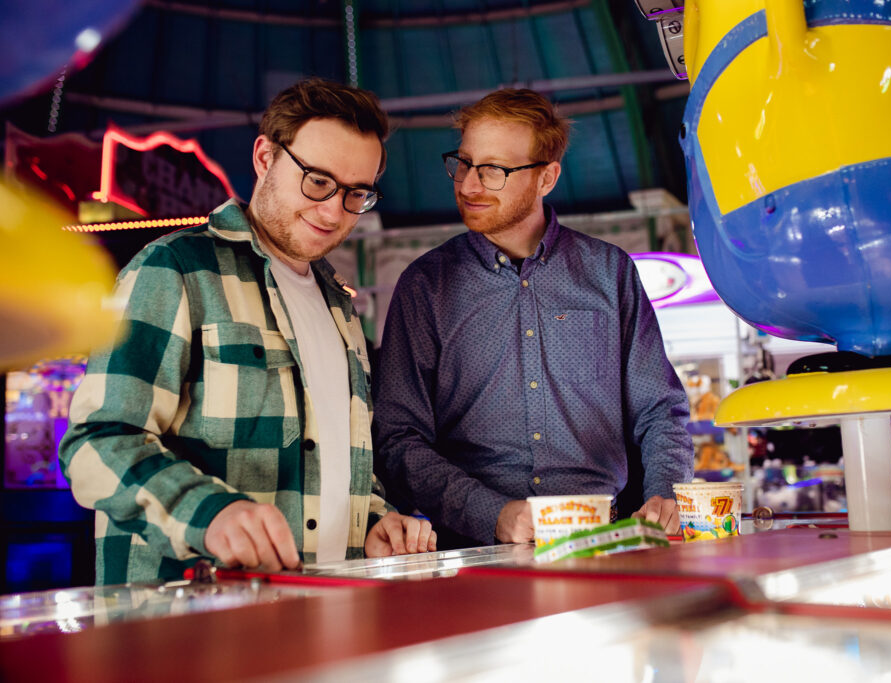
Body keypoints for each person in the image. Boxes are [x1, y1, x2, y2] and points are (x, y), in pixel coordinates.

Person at [59, 78, 436, 585]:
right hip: (183, 626)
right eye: (318, 181)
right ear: (265, 157)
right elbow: (96, 441)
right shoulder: (175, 270)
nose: (333, 211)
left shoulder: (341, 309)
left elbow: (332, 465)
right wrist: (210, 513)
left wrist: (370, 522)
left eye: (356, 194)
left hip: (322, 616)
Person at [372, 88, 694, 548]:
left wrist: (666, 492)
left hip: (607, 538)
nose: (468, 185)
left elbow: (659, 409)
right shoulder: (425, 286)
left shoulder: (610, 271)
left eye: (494, 170)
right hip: (473, 548)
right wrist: (492, 515)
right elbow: (398, 438)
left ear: (547, 178)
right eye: (463, 163)